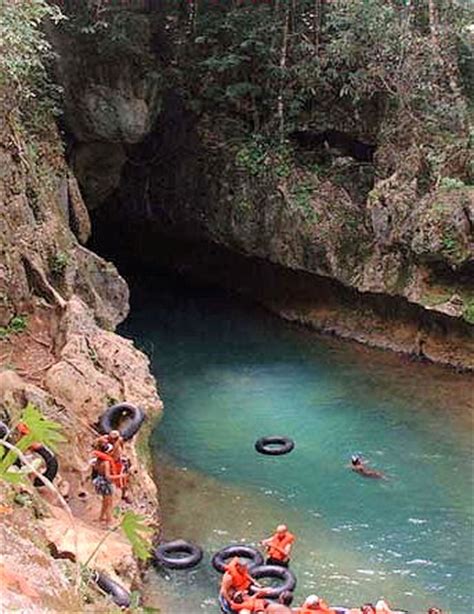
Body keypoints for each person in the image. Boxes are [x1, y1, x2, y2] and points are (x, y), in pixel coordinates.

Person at [92, 440, 115, 526]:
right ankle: (109, 522)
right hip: (106, 483)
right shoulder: (106, 463)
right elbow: (108, 476)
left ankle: (101, 517)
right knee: (108, 502)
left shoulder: (98, 461)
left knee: (105, 502)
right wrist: (121, 476)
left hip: (99, 481)